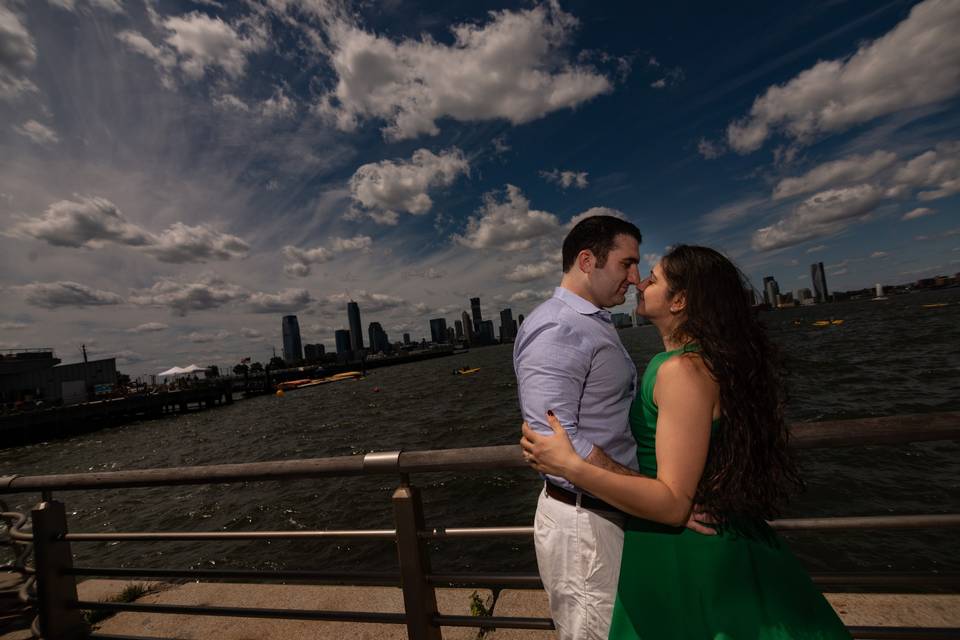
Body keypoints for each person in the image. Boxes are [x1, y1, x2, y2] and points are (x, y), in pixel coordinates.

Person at [521, 245, 850, 639]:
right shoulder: (700, 361)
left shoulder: (681, 370)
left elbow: (674, 505)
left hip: (685, 550)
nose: (639, 281)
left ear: (679, 301)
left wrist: (569, 465)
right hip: (677, 540)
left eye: (653, 278)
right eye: (633, 268)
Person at [514, 216, 709, 640]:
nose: (636, 278)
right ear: (588, 261)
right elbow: (553, 439)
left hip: (609, 512)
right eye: (627, 263)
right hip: (586, 523)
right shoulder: (557, 327)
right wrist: (657, 495)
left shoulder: (591, 321)